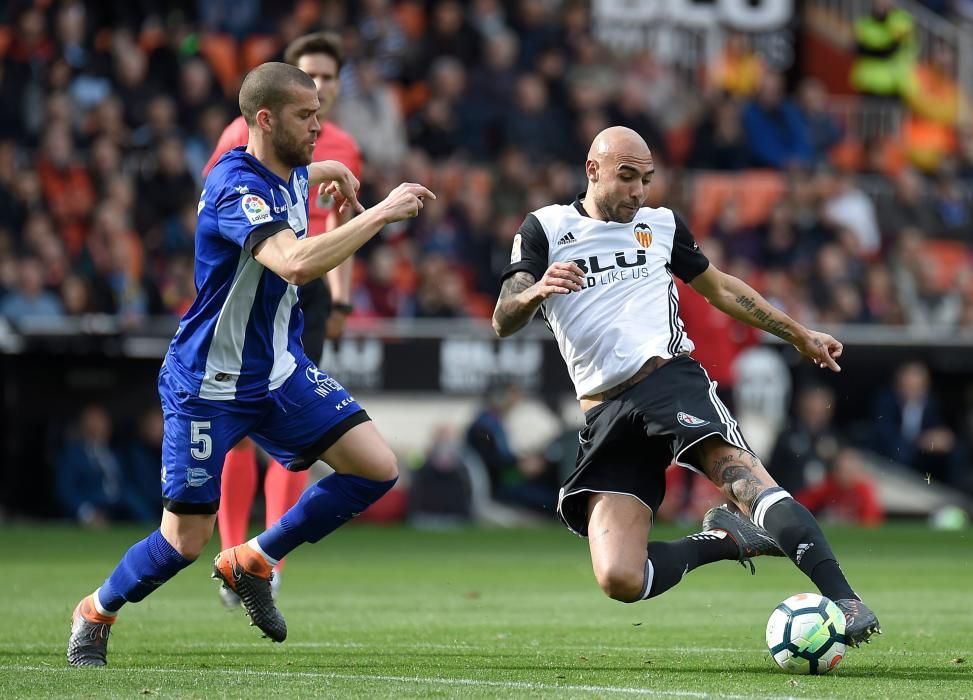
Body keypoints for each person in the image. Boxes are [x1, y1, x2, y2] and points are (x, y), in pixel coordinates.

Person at [67, 61, 434, 667]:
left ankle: (254, 559)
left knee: (376, 468)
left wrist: (327, 169)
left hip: (277, 372)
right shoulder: (234, 185)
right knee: (184, 541)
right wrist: (381, 212)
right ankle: (95, 611)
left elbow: (295, 179)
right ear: (264, 120)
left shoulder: (286, 167)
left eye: (319, 113)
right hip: (209, 383)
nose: (319, 126)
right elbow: (292, 262)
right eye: (306, 116)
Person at [491, 126, 881, 648]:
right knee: (620, 579)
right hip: (605, 412)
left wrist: (799, 334)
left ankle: (846, 599)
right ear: (593, 170)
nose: (638, 191)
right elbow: (502, 317)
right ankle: (729, 540)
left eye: (646, 180)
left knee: (744, 479)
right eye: (626, 177)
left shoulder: (662, 226)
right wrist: (537, 289)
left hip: (669, 381)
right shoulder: (546, 228)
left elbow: (720, 288)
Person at [200, 32, 365, 608]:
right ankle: (231, 552)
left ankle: (268, 560)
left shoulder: (341, 143)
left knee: (298, 442)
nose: (318, 88)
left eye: (327, 78)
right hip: (259, 280)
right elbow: (225, 208)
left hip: (307, 291)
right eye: (308, 76)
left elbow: (334, 225)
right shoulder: (240, 139)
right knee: (241, 437)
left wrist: (341, 300)